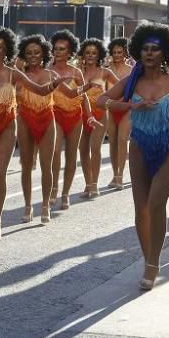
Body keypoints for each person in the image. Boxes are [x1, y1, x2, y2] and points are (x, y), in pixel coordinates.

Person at [96, 23, 169, 290]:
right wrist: (131, 105)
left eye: (155, 49)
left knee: (155, 203)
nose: (150, 53)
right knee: (141, 208)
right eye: (145, 49)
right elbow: (101, 101)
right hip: (139, 146)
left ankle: (153, 263)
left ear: (165, 52)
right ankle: (148, 258)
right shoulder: (131, 82)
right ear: (138, 51)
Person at [0, 28, 68, 243]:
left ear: (6, 49)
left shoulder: (13, 73)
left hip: (7, 125)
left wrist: (56, 82)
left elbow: (41, 90)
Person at [16, 34, 65, 224]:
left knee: (47, 166)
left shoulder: (52, 75)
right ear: (23, 55)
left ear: (44, 53)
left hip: (47, 120)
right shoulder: (18, 75)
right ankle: (28, 206)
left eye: (37, 52)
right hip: (24, 120)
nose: (33, 55)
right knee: (26, 166)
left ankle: (45, 205)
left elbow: (70, 93)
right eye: (28, 53)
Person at [49, 30, 94, 210]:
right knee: (54, 152)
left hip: (75, 116)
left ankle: (65, 193)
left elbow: (83, 96)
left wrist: (89, 115)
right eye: (56, 48)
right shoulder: (48, 71)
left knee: (71, 155)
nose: (58, 52)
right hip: (56, 114)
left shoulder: (76, 72)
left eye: (62, 49)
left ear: (69, 52)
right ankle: (53, 188)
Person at [77, 39, 119, 199]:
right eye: (88, 52)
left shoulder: (105, 72)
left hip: (100, 115)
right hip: (80, 116)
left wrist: (112, 101)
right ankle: (88, 184)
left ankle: (94, 185)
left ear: (99, 55)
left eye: (94, 53)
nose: (90, 55)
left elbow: (121, 86)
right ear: (83, 54)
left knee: (94, 148)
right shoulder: (78, 72)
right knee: (82, 150)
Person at [106, 37, 134, 189]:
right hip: (110, 108)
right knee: (113, 141)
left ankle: (120, 176)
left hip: (126, 108)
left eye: (120, 52)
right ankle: (114, 173)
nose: (117, 55)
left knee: (122, 139)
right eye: (114, 52)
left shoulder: (131, 70)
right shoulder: (107, 69)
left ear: (125, 53)